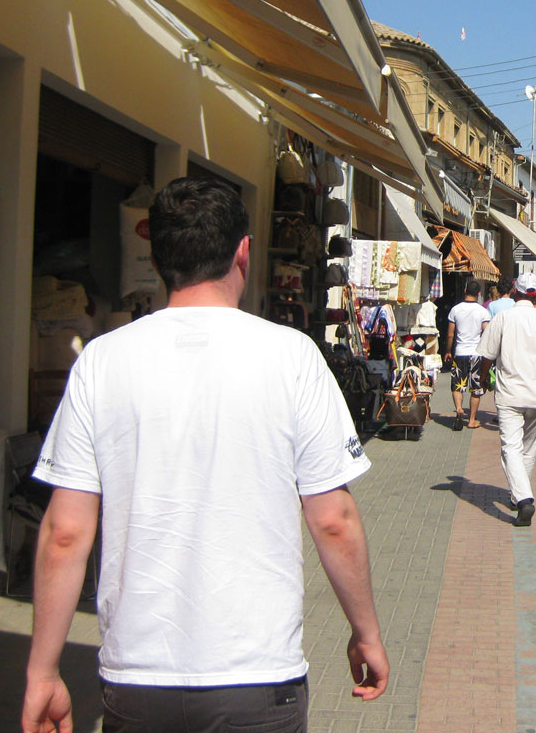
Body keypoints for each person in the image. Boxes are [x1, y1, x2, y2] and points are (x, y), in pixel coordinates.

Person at [21, 177, 387, 733]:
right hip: (258, 678)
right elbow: (333, 519)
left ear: (157, 253)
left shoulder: (102, 360)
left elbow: (65, 533)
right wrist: (366, 632)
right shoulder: (292, 357)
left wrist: (42, 671)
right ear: (243, 250)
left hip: (137, 683)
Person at [476, 272, 536, 527]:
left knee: (510, 448)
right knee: (527, 448)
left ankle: (524, 499)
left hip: (510, 395)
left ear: (515, 292)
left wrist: (484, 378)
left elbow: (487, 355)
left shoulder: (503, 317)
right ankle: (519, 498)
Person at [446, 280, 491, 429]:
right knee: (476, 388)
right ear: (479, 294)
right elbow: (487, 331)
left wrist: (447, 351)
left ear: (465, 291)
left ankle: (459, 408)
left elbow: (450, 334)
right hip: (476, 354)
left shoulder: (455, 310)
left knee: (458, 385)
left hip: (460, 353)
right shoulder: (482, 311)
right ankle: (471, 420)